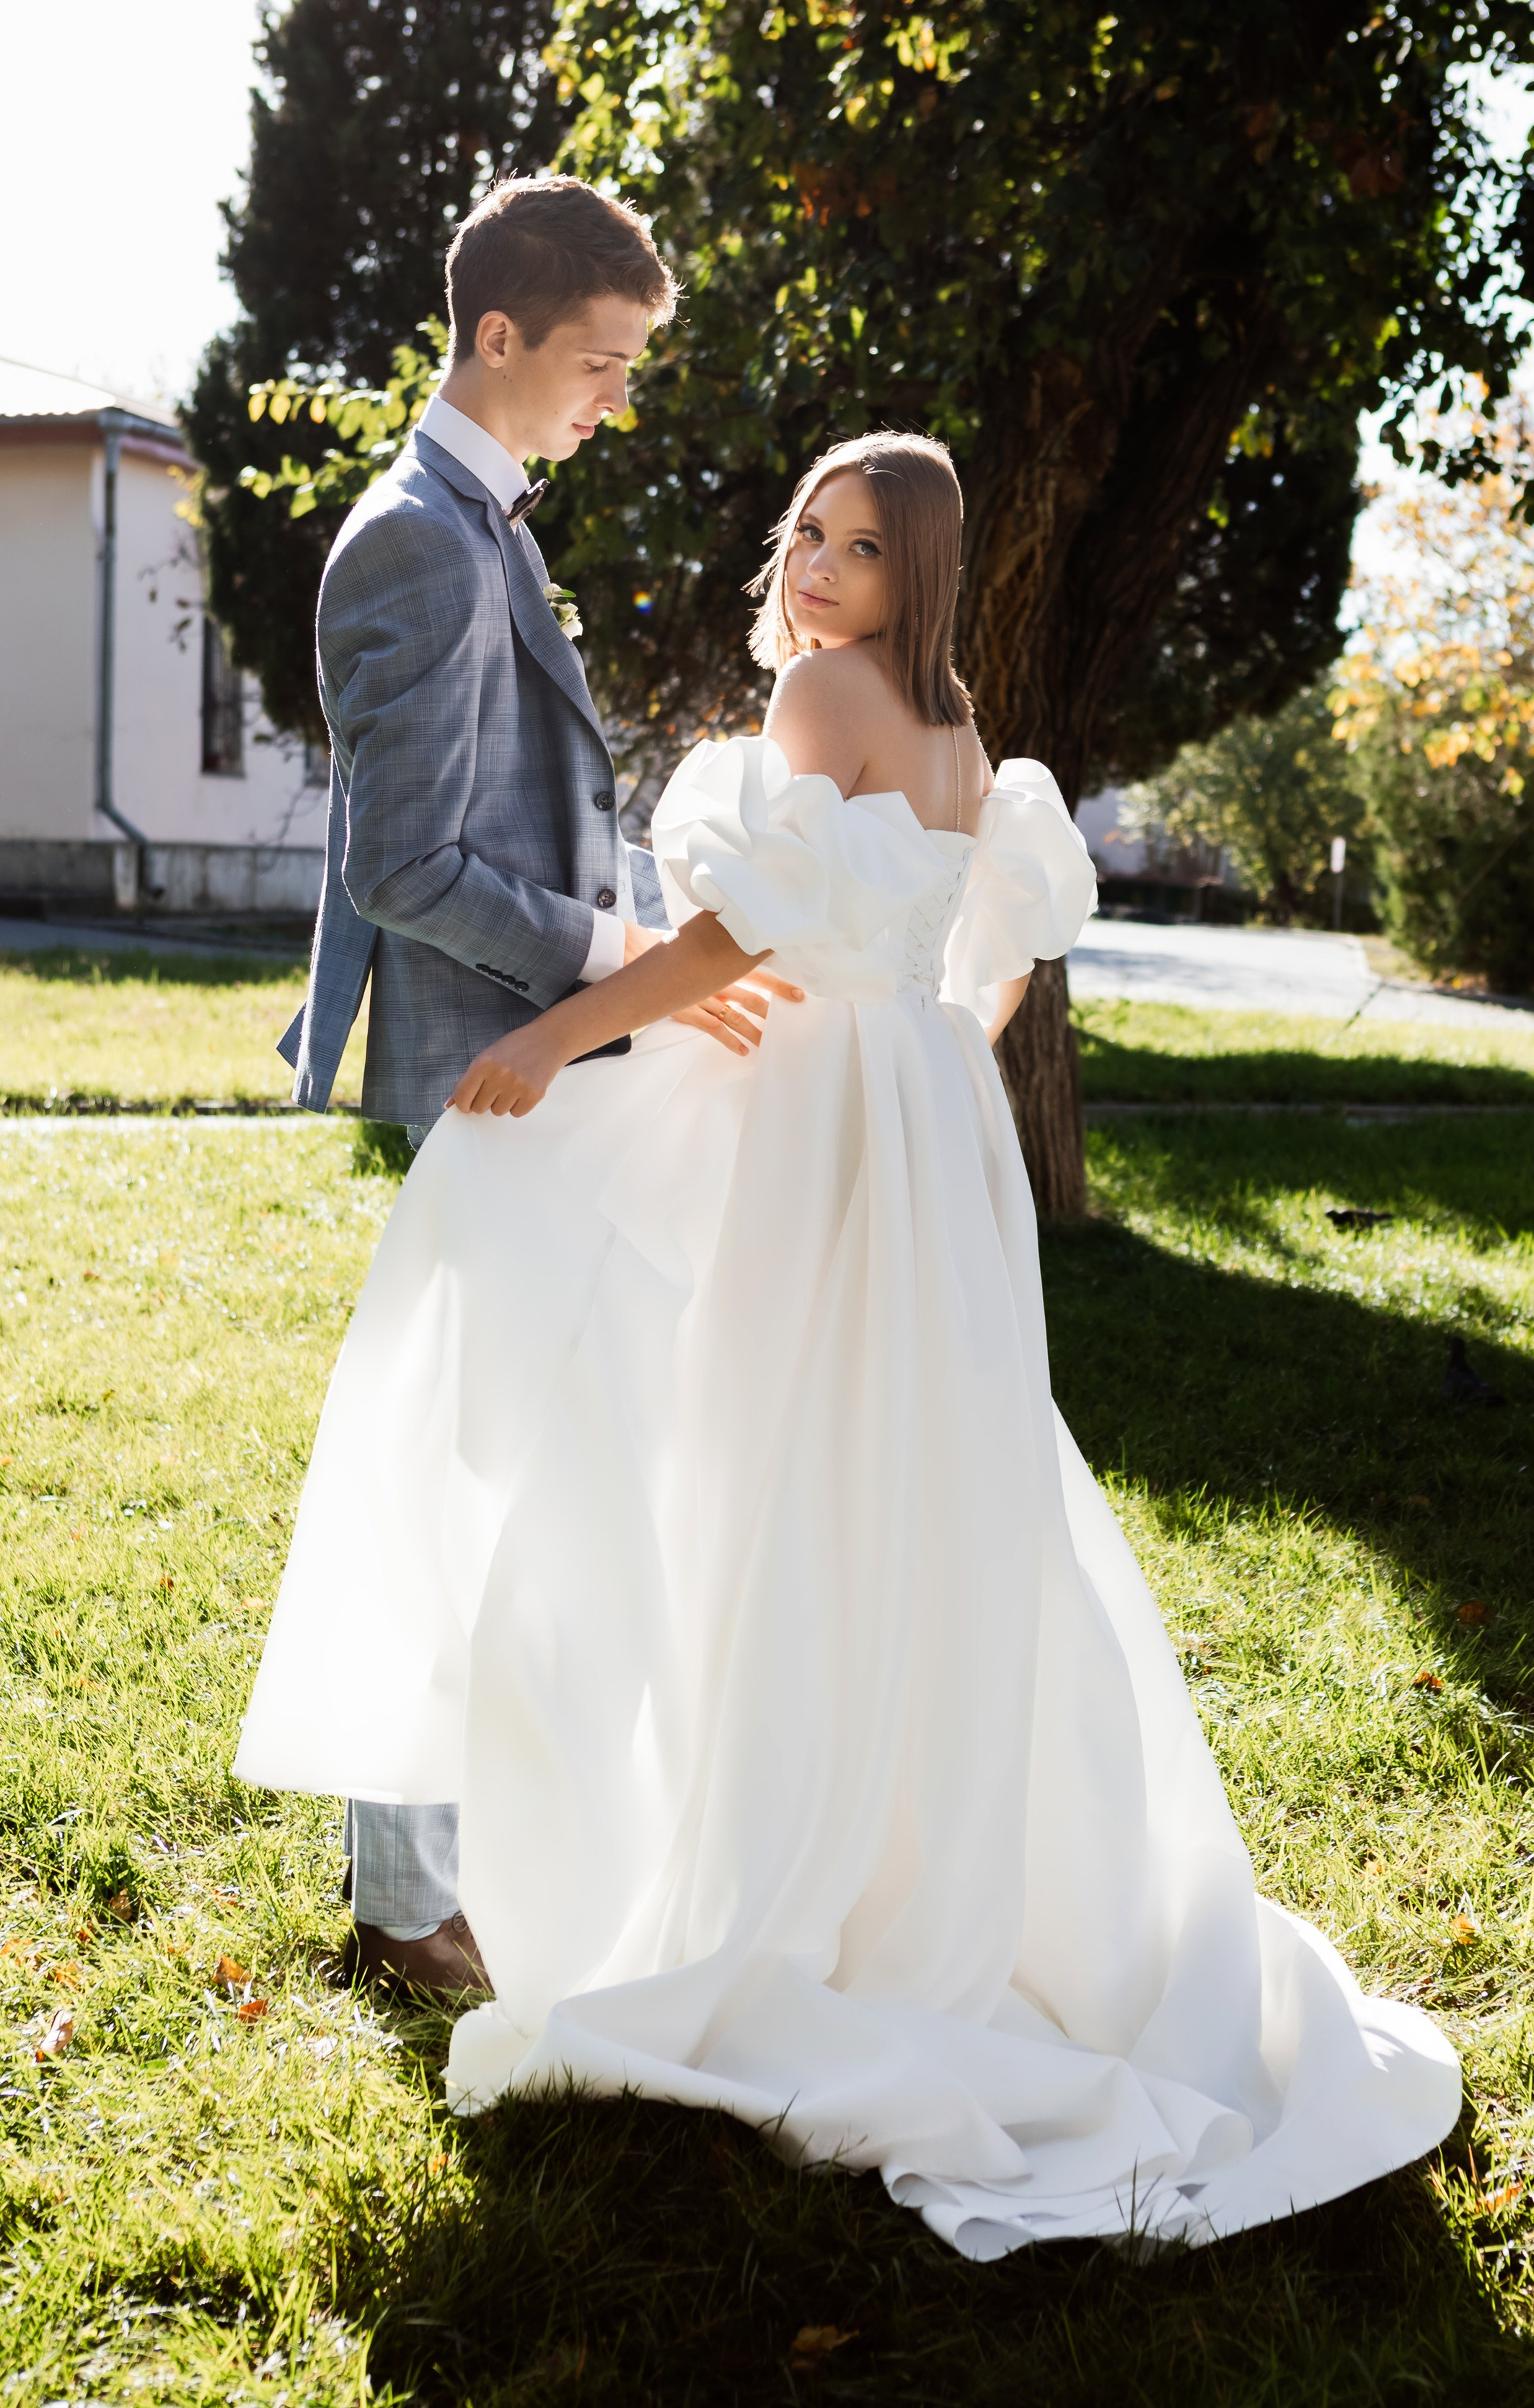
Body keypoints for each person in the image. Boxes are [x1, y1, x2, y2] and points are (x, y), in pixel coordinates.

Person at [238, 431, 1460, 2255]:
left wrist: (559, 1034)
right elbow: (1000, 954)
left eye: (861, 547)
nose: (814, 567)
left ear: (920, 574)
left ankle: (773, 1878)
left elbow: (742, 928)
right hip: (917, 1119)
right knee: (911, 1475)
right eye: (806, 530)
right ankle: (898, 1854)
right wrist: (918, 1046)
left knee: (771, 1467)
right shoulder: (964, 740)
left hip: (828, 1119)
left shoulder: (824, 699)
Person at [276, 174, 794, 1996]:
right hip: (490, 1074)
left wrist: (650, 955)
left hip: (547, 1064)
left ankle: (477, 1857)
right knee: (461, 1498)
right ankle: (405, 1905)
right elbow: (405, 865)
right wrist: (607, 961)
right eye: (600, 362)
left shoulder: (483, 523)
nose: (616, 400)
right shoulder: (418, 542)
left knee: (531, 1480)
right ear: (496, 335)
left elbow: (526, 812)